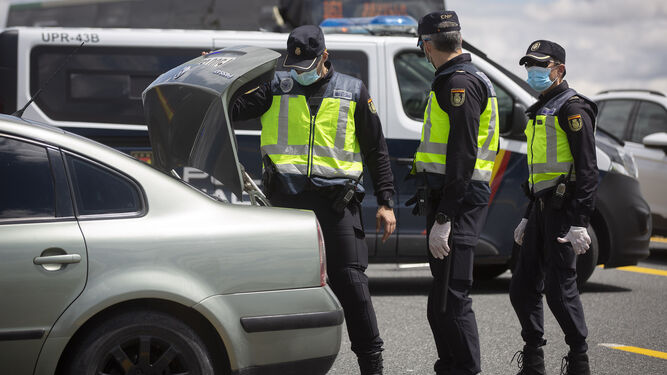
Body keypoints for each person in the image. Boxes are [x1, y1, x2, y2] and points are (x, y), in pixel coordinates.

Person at [231, 25, 396, 375]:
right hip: (286, 207)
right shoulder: (276, 87)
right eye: (293, 65)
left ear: (324, 57)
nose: (297, 73)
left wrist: (386, 202)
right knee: (281, 290)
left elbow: (376, 150)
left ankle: (373, 366)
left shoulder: (353, 91)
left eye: (305, 67)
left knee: (351, 285)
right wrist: (216, 79)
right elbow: (230, 108)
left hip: (337, 204)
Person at [408, 11, 499, 375]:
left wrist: (445, 216)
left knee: (452, 297)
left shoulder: (458, 83)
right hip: (452, 196)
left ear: (428, 45)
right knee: (441, 301)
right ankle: (451, 366)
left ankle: (464, 369)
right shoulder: (460, 78)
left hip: (457, 200)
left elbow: (462, 153)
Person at [509, 40, 598, 375]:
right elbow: (540, 171)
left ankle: (579, 360)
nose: (533, 71)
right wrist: (526, 215)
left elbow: (588, 170)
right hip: (540, 208)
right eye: (529, 65)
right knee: (521, 287)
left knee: (560, 291)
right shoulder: (541, 109)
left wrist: (580, 221)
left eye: (539, 65)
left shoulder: (573, 108)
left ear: (559, 70)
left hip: (564, 210)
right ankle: (534, 359)